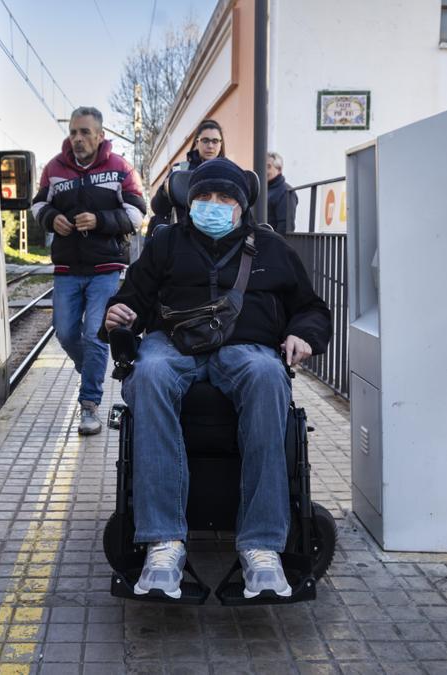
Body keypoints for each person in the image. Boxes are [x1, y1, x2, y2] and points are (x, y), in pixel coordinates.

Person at [102, 157, 332, 599]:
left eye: (224, 197)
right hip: (173, 344)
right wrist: (118, 315)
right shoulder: (166, 244)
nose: (212, 204)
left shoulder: (272, 249)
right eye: (203, 196)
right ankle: (163, 543)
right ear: (189, 202)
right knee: (148, 374)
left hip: (247, 348)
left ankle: (263, 547)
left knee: (268, 375)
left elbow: (312, 308)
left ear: (242, 205)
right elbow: (132, 299)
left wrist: (302, 333)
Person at [30, 106, 146, 434]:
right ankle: (90, 369)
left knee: (96, 335)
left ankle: (89, 406)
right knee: (65, 333)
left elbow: (138, 214)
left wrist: (101, 220)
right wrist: (52, 219)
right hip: (67, 267)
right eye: (73, 132)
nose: (77, 139)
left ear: (100, 135)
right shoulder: (53, 168)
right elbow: (38, 204)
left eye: (84, 132)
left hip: (106, 267)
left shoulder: (120, 167)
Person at [149, 119, 225, 229]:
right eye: (205, 140)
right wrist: (165, 191)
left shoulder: (230, 172)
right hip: (185, 236)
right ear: (196, 142)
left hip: (219, 235)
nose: (210, 146)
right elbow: (158, 208)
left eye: (215, 141)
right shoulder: (179, 170)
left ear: (221, 143)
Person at [265, 151, 298, 235]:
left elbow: (285, 226)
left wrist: (275, 245)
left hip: (273, 244)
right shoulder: (263, 189)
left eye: (268, 167)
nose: (264, 170)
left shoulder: (285, 192)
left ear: (279, 169)